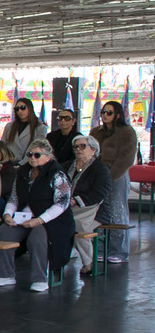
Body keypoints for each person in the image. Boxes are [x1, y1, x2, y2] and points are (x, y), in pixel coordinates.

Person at [0, 139, 75, 291]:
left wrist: (39, 220)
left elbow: (62, 203)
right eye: (30, 154)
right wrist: (8, 215)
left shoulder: (58, 175)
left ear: (48, 157)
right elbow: (14, 198)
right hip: (24, 217)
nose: (32, 158)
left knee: (37, 238)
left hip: (53, 220)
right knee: (4, 231)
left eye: (37, 155)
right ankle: (5, 274)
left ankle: (40, 278)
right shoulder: (23, 172)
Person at [90, 100, 137, 265]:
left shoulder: (127, 132)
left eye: (109, 112)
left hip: (117, 175)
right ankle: (101, 248)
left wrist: (110, 177)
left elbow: (127, 158)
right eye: (103, 112)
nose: (105, 115)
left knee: (117, 211)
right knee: (99, 211)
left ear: (117, 114)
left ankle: (119, 251)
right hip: (97, 175)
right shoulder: (96, 132)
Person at [66, 134, 111, 277]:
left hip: (95, 209)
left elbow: (100, 192)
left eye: (82, 146)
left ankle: (89, 263)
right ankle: (59, 259)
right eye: (76, 147)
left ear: (93, 150)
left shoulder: (100, 169)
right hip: (68, 208)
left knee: (78, 226)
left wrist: (75, 200)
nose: (78, 149)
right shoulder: (68, 166)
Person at [0, 97, 47, 164]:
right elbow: (3, 145)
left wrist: (21, 164)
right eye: (16, 109)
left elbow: (37, 148)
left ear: (30, 108)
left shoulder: (40, 128)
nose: (20, 111)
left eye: (23, 107)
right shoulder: (9, 126)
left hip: (29, 163)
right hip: (9, 163)